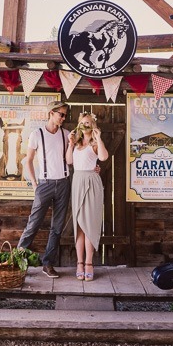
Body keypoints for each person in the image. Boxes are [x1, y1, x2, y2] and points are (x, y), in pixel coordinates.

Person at [17, 100, 71, 278]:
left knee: (57, 227)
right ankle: (17, 261)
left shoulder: (67, 134)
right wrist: (34, 182)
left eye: (64, 114)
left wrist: (94, 167)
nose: (63, 117)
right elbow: (29, 160)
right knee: (33, 224)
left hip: (63, 183)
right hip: (44, 184)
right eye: (60, 114)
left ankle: (48, 264)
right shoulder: (37, 134)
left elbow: (76, 156)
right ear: (51, 113)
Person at [66, 112, 109, 281]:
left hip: (92, 182)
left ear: (93, 125)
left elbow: (104, 157)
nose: (85, 125)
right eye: (83, 122)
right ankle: (79, 263)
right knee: (79, 224)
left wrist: (98, 138)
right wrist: (70, 144)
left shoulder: (94, 143)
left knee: (89, 224)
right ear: (79, 125)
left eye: (88, 122)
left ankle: (89, 263)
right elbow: (69, 161)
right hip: (77, 181)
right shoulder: (76, 143)